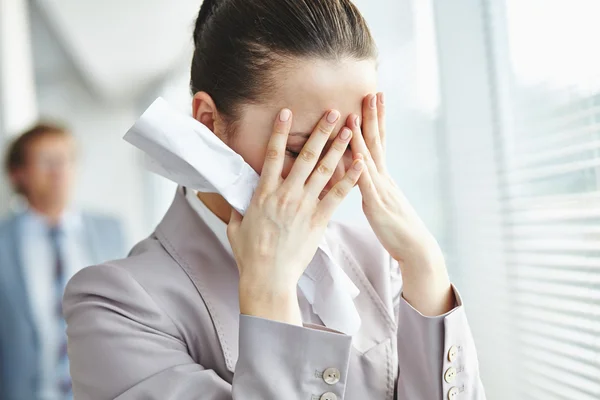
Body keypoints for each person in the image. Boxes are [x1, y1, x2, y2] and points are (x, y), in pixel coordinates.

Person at [64, 0, 486, 399]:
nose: (332, 175)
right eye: (302, 149)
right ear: (209, 123)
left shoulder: (383, 264)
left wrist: (427, 267)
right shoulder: (116, 306)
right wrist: (269, 295)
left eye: (350, 145)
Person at [0, 123, 126, 400]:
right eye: (46, 161)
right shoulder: (3, 242)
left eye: (67, 159)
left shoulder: (111, 231)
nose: (59, 170)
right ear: (18, 173)